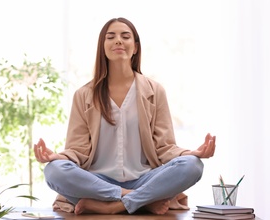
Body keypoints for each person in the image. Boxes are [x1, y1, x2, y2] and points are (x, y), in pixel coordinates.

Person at [34, 17, 216, 215]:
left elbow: (165, 148)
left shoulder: (155, 91)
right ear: (102, 47)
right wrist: (56, 157)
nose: (118, 41)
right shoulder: (84, 94)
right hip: (98, 180)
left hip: (144, 178)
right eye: (110, 37)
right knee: (54, 171)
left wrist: (193, 154)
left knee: (192, 166)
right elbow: (78, 150)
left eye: (125, 36)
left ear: (135, 47)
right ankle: (140, 200)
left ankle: (113, 205)